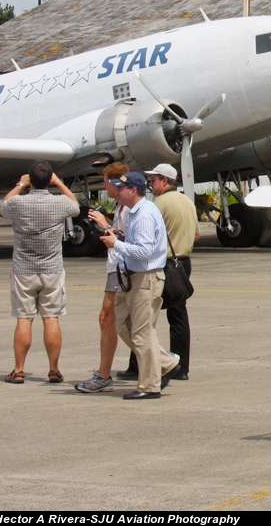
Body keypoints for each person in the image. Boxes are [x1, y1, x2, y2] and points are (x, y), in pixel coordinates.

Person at [99, 171, 180, 399]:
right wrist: (119, 237)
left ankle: (150, 385)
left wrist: (116, 244)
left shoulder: (143, 214)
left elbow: (144, 252)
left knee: (142, 332)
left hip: (145, 278)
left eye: (121, 188)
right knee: (124, 323)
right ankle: (166, 363)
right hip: (133, 277)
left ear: (133, 191)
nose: (117, 192)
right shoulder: (137, 211)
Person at [0, 161, 80, 384]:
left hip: (24, 269)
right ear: (49, 179)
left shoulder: (19, 203)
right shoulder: (58, 203)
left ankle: (19, 370)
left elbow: (4, 206)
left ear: (30, 180)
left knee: (24, 319)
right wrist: (59, 183)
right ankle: (54, 369)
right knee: (51, 318)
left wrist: (20, 184)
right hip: (51, 269)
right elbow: (75, 206)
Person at [118, 164, 199, 382]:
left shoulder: (158, 204)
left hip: (163, 264)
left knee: (143, 316)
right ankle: (181, 367)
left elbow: (150, 236)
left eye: (153, 180)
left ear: (165, 181)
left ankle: (143, 365)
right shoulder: (187, 201)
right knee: (178, 316)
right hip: (183, 263)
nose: (150, 185)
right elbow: (197, 235)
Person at [74, 162, 130, 393]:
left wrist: (105, 224)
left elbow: (127, 238)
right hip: (116, 268)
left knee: (107, 318)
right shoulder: (121, 207)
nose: (103, 186)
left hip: (121, 269)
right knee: (124, 321)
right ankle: (156, 362)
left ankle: (104, 375)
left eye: (106, 182)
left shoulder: (130, 209)